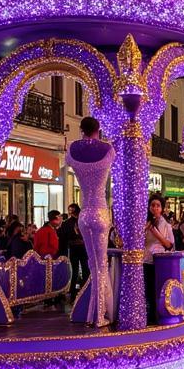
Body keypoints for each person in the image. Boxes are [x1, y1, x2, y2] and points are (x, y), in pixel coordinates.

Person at [65, 117, 116, 327]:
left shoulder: (73, 150)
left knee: (92, 264)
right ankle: (99, 315)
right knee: (101, 265)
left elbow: (68, 159)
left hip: (84, 215)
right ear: (99, 129)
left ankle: (93, 313)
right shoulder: (108, 150)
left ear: (81, 129)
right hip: (101, 213)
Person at [144, 194, 175, 322]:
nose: (155, 208)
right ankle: (150, 318)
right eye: (152, 205)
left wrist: (155, 232)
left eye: (158, 206)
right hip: (146, 260)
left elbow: (169, 244)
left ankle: (158, 318)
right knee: (148, 292)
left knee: (159, 291)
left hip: (160, 261)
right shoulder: (145, 223)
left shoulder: (166, 225)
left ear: (161, 208)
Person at [58, 203, 90, 300]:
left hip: (83, 248)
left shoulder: (83, 221)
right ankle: (73, 292)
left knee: (85, 269)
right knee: (74, 270)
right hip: (74, 248)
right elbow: (63, 236)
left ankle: (84, 291)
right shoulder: (67, 223)